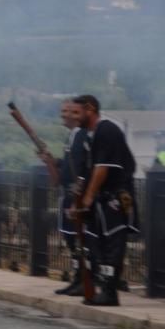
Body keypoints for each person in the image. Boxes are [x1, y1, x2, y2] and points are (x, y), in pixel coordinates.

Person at [71, 95, 138, 307]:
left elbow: (102, 169)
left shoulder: (106, 130)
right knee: (95, 242)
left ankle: (110, 292)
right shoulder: (87, 136)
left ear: (90, 109)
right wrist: (78, 200)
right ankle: (101, 287)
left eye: (76, 112)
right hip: (100, 200)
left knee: (113, 244)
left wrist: (88, 198)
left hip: (115, 198)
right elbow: (85, 173)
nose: (73, 117)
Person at [37, 99, 90, 296]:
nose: (64, 114)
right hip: (69, 195)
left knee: (79, 241)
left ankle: (84, 279)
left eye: (68, 111)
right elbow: (68, 167)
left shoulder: (82, 136)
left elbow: (82, 169)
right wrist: (52, 161)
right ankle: (78, 278)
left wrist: (78, 196)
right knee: (72, 241)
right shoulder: (72, 137)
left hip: (75, 196)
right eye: (63, 111)